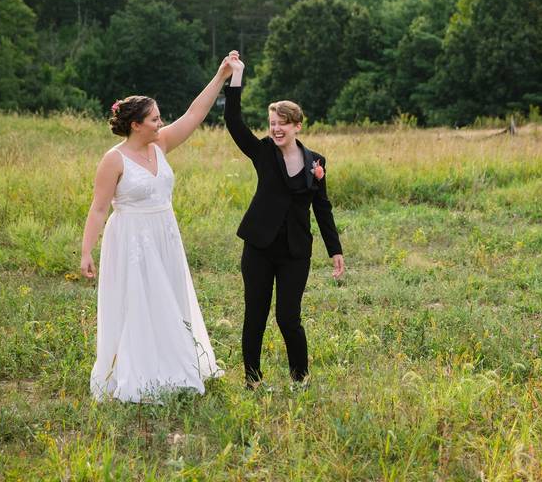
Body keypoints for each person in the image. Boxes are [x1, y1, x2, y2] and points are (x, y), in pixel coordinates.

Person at [80, 57, 232, 402]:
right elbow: (99, 207)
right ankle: (140, 374)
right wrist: (87, 251)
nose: (160, 123)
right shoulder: (113, 160)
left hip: (165, 234)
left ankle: (174, 366)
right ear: (136, 125)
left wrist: (221, 76)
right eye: (154, 119)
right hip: (131, 239)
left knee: (170, 300)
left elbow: (195, 114)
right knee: (138, 303)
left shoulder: (160, 144)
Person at [222, 50, 345, 390]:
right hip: (259, 246)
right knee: (256, 315)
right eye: (272, 123)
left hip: (295, 251)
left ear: (297, 126)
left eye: (282, 124)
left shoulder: (315, 161)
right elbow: (233, 122)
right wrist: (236, 77)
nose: (275, 129)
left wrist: (335, 250)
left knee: (288, 317)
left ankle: (300, 379)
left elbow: (322, 207)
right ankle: (253, 380)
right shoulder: (262, 151)